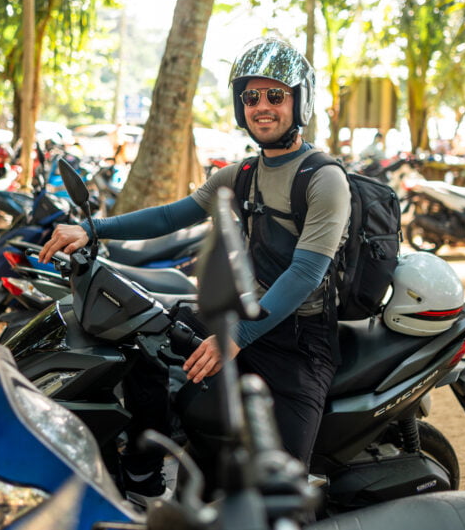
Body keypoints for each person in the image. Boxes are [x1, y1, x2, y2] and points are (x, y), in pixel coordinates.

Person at [39, 36, 351, 498]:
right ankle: (143, 471)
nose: (261, 106)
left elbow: (305, 274)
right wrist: (93, 230)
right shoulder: (241, 174)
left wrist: (235, 338)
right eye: (251, 97)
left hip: (299, 340)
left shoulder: (324, 178)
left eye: (275, 95)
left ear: (298, 101)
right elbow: (170, 216)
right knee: (138, 335)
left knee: (278, 487)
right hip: (242, 317)